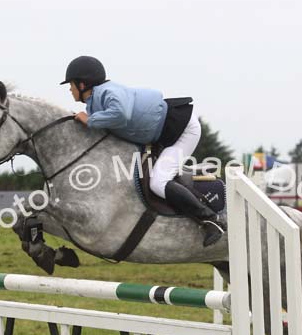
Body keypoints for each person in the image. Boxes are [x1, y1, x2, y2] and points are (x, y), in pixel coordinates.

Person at [60, 56, 225, 247]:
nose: (69, 89)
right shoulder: (95, 100)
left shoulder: (107, 92)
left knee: (158, 182)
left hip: (183, 130)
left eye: (71, 84)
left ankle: (211, 220)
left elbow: (121, 114)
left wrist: (90, 120)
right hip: (163, 134)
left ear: (82, 84)